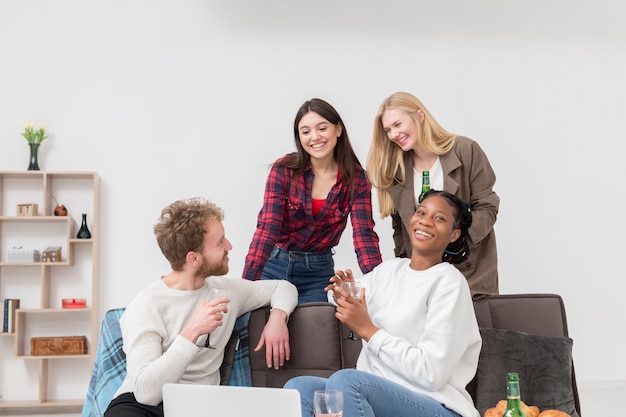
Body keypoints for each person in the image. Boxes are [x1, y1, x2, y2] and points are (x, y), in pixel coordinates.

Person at [284, 190, 481, 417]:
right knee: (300, 389)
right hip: (381, 396)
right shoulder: (389, 270)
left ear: (454, 234)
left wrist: (368, 330)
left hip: (436, 405)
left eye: (439, 218)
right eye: (421, 212)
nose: (426, 221)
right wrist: (343, 294)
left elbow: (430, 374)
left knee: (348, 381)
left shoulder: (449, 283)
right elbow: (351, 294)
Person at [104, 198, 298, 417]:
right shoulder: (146, 306)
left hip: (197, 404)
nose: (230, 247)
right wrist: (191, 333)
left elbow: (283, 288)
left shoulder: (227, 291)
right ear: (193, 258)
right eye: (220, 242)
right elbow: (145, 393)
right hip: (142, 405)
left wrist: (278, 318)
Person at [243, 98, 382, 303]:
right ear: (299, 137)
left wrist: (379, 285)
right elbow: (267, 229)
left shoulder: (357, 179)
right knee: (255, 328)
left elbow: (364, 236)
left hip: (317, 274)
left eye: (322, 128)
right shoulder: (284, 170)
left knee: (317, 330)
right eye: (306, 131)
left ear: (338, 129)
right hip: (273, 266)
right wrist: (246, 287)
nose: (314, 137)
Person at [366, 91, 500, 297]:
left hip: (470, 275)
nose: (393, 134)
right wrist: (406, 268)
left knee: (472, 329)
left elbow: (487, 206)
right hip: (422, 280)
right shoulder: (396, 170)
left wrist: (455, 239)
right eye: (388, 130)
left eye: (398, 124)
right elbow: (400, 227)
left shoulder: (465, 150)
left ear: (420, 116)